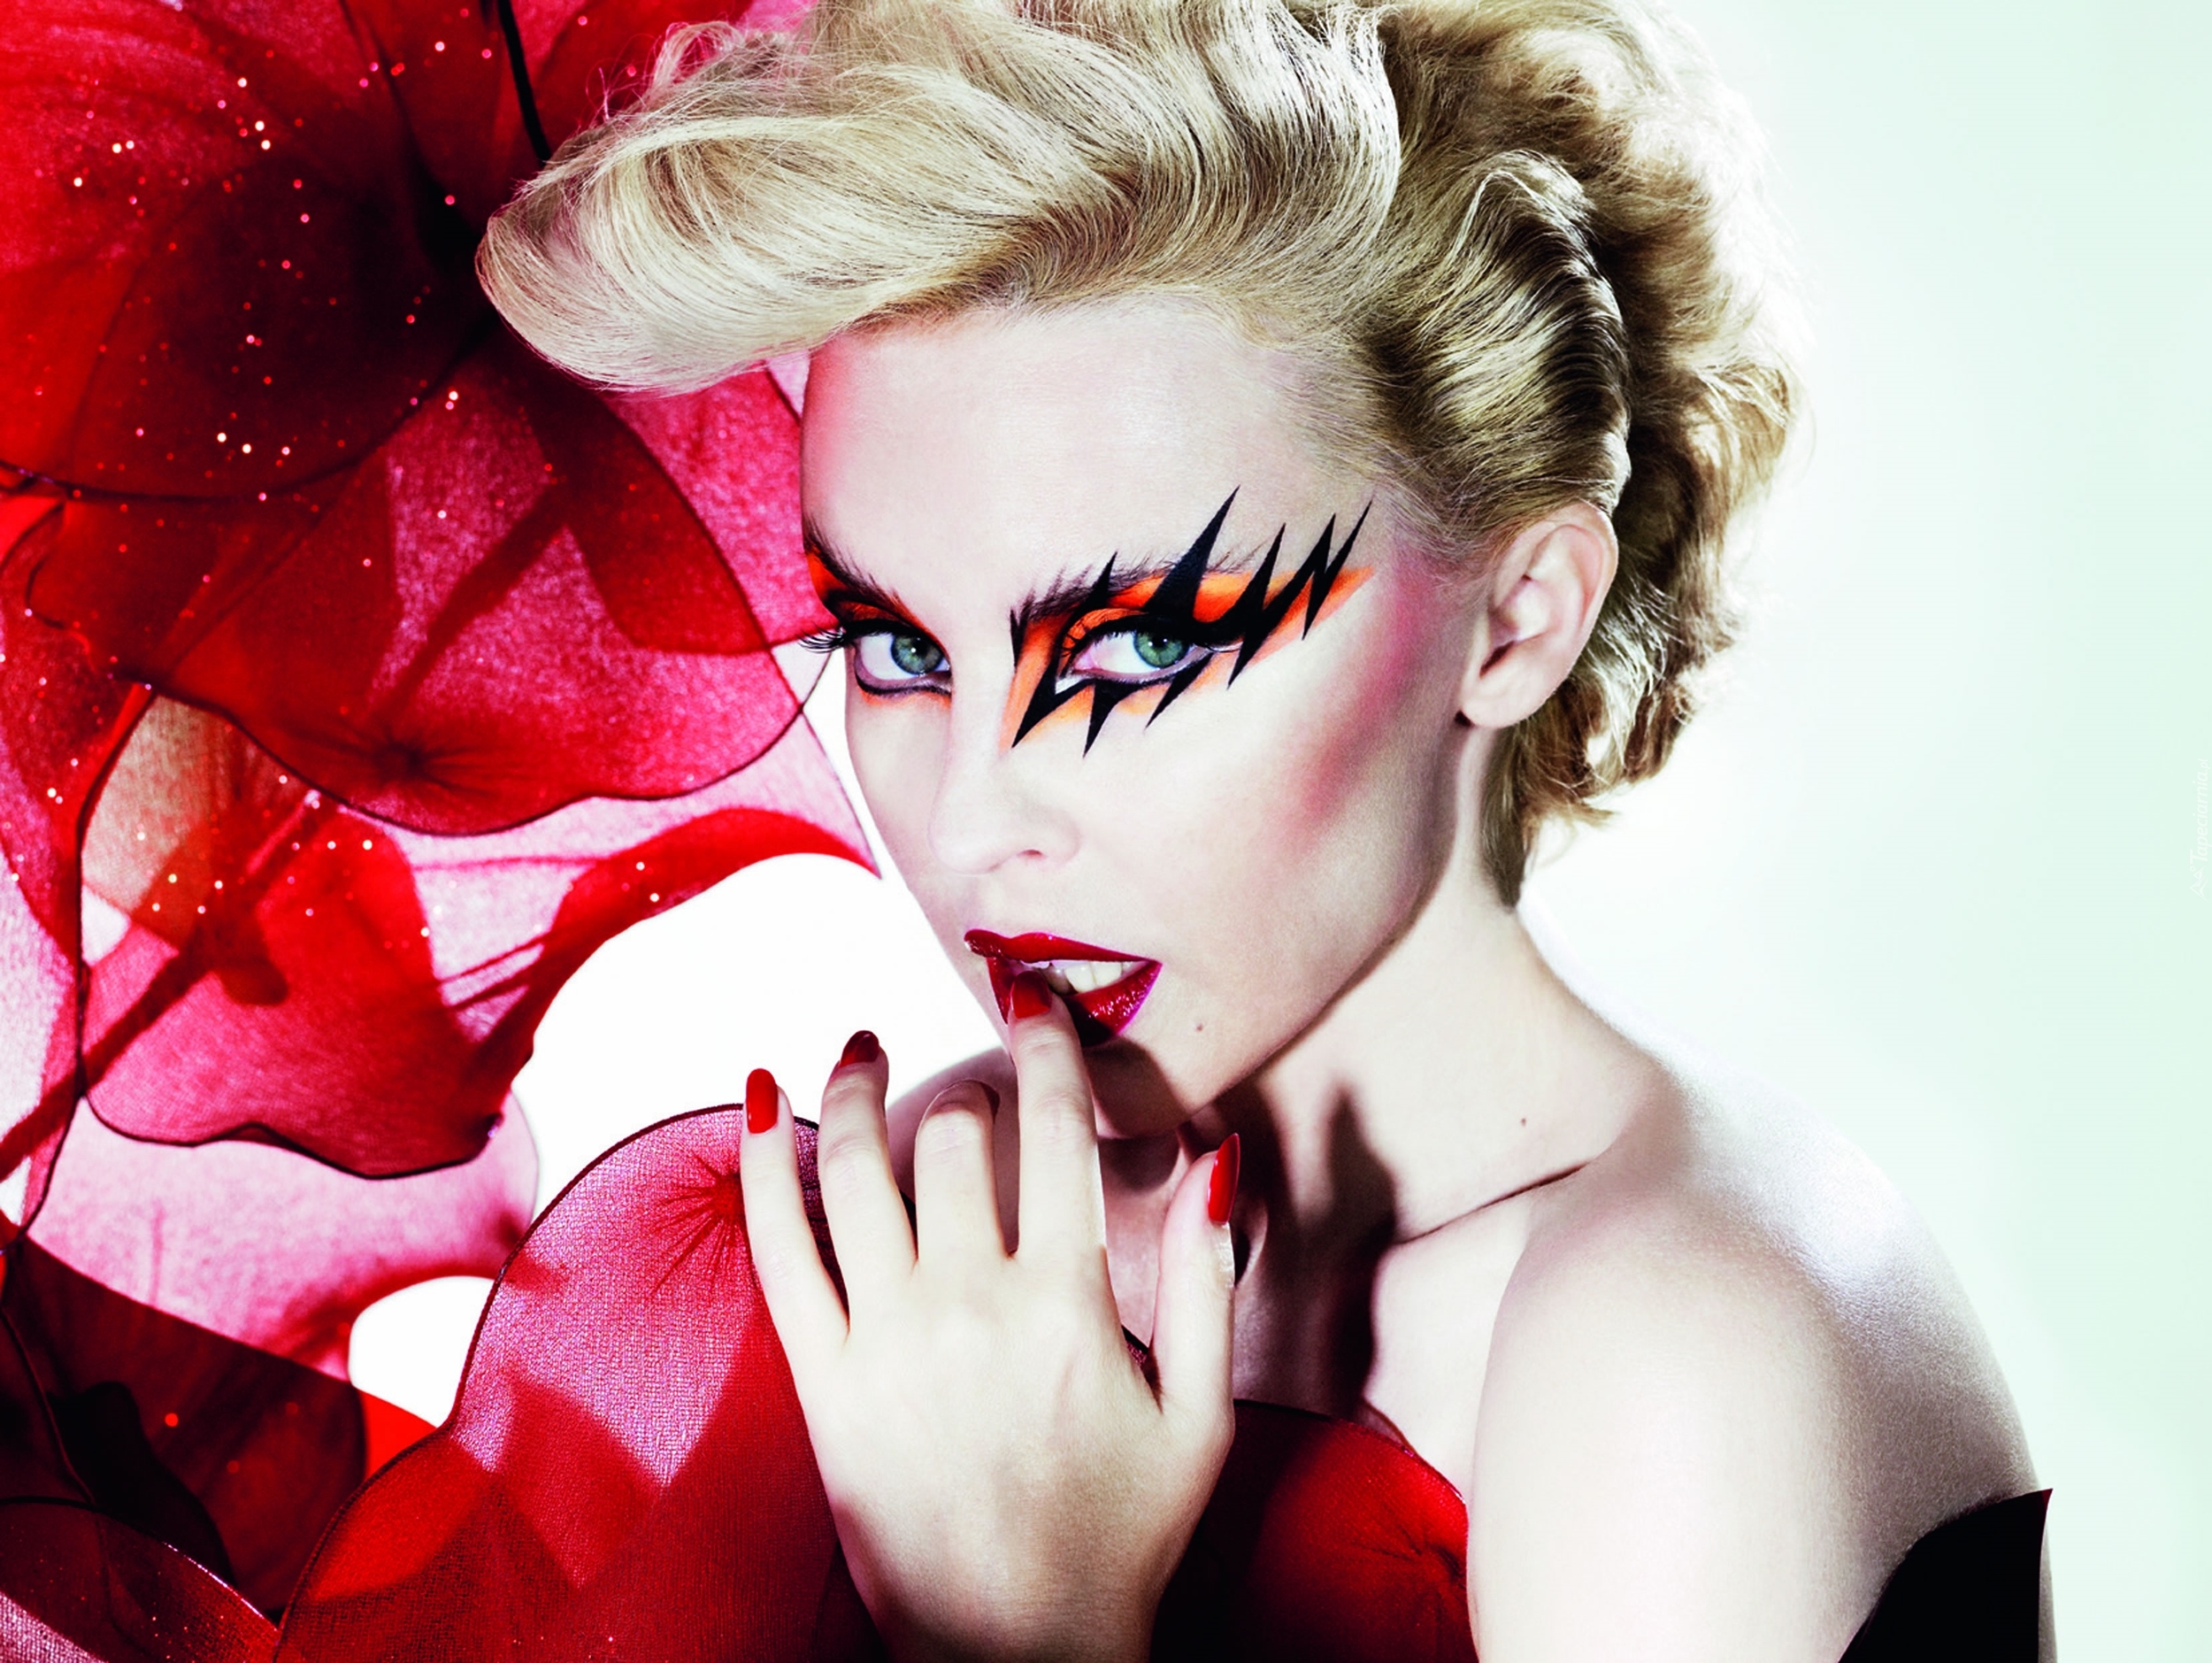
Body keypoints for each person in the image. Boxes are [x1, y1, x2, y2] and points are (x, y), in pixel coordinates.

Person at [469, 0, 2050, 1658]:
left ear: (1517, 618)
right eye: (900, 649)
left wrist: (1022, 1633)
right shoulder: (930, 1242)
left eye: (1145, 646)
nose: (972, 816)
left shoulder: (1686, 1339)